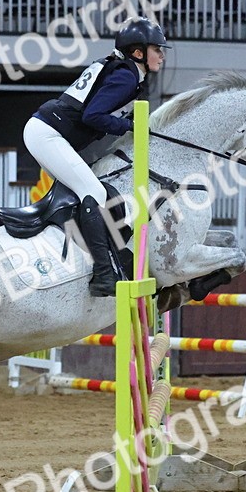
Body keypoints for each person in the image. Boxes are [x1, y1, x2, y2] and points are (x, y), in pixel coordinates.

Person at [23, 18, 168, 296]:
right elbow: (93, 116)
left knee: (93, 187)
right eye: (156, 49)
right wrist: (130, 126)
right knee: (92, 190)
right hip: (49, 134)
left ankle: (95, 255)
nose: (161, 55)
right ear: (138, 53)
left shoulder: (121, 69)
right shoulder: (126, 76)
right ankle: (103, 274)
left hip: (49, 131)